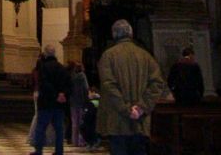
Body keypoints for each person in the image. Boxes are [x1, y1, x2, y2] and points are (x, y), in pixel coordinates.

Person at [97, 19, 165, 155]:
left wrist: (126, 110)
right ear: (131, 34)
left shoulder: (108, 56)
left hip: (117, 122)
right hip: (140, 121)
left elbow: (109, 86)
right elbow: (157, 83)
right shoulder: (146, 56)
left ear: (114, 34)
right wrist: (141, 108)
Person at [30, 44, 72, 155]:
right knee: (59, 130)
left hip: (46, 103)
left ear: (45, 54)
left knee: (41, 128)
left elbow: (45, 84)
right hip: (59, 104)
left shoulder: (44, 67)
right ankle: (59, 151)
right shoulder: (62, 68)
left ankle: (38, 151)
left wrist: (56, 95)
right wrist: (63, 94)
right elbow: (68, 84)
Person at [69, 61, 90, 147]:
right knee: (81, 121)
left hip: (73, 101)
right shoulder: (82, 76)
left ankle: (74, 140)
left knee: (74, 122)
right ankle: (81, 141)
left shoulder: (72, 76)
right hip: (81, 101)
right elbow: (85, 88)